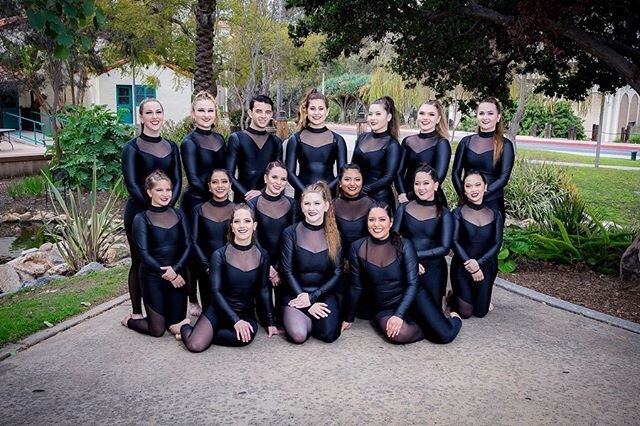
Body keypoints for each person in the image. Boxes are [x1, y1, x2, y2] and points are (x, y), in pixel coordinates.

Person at [343, 202, 461, 344]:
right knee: (398, 335)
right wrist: (348, 318)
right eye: (371, 220)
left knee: (445, 336)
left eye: (382, 219)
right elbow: (356, 286)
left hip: (413, 298)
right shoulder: (357, 248)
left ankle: (455, 318)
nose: (376, 224)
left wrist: (399, 315)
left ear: (391, 222)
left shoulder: (404, 245)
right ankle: (427, 327)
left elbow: (413, 283)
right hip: (384, 305)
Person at [176, 204, 280, 352]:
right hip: (218, 308)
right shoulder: (219, 255)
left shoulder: (263, 255)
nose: (242, 226)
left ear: (254, 225)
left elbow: (263, 289)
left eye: (247, 221)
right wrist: (235, 321)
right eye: (237, 221)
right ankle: (185, 328)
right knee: (195, 345)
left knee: (244, 337)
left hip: (244, 311)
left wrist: (270, 322)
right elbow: (216, 291)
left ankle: (205, 332)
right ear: (231, 226)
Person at [121, 98, 182, 319]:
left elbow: (177, 179)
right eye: (149, 113)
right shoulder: (131, 147)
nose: (154, 116)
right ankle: (137, 311)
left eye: (158, 112)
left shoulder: (172, 146)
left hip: (167, 214)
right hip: (139, 212)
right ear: (141, 117)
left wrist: (167, 206)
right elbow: (132, 183)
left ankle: (163, 305)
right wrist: (152, 210)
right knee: (139, 261)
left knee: (167, 257)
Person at [121, 170, 190, 337]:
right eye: (159, 190)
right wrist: (169, 274)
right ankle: (129, 321)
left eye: (168, 190)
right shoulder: (141, 219)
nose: (165, 194)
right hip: (153, 277)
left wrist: (177, 270)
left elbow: (188, 245)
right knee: (158, 330)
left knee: (176, 324)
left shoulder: (179, 214)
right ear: (149, 192)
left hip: (178, 275)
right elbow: (143, 254)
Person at [180, 91, 226, 317]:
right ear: (193, 113)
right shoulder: (188, 142)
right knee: (194, 249)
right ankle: (192, 298)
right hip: (196, 202)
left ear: (215, 113)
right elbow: (194, 177)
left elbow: (224, 172)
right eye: (201, 110)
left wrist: (222, 198)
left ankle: (216, 292)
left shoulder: (219, 139)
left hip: (217, 200)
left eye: (210, 110)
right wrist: (215, 197)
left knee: (216, 247)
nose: (206, 115)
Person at [281, 181, 342, 344]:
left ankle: (310, 319)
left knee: (330, 335)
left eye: (316, 203)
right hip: (296, 292)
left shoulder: (335, 234)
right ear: (301, 206)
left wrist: (314, 297)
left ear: (326, 206)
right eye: (307, 203)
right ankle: (301, 316)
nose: (311, 208)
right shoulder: (290, 233)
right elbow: (287, 271)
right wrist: (306, 302)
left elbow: (337, 273)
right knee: (299, 336)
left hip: (322, 292)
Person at [247, 161, 298, 326]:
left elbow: (291, 238)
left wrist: (279, 268)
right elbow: (252, 238)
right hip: (260, 261)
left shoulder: (292, 204)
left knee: (284, 320)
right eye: (274, 177)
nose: (278, 182)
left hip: (284, 263)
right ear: (265, 178)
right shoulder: (252, 204)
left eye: (283, 179)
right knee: (266, 319)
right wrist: (268, 266)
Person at [393, 164, 452, 306]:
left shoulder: (444, 213)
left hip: (433, 266)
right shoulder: (403, 208)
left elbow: (445, 248)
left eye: (426, 183)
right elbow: (393, 238)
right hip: (406, 263)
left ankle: (451, 308)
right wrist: (409, 260)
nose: (421, 188)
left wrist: (414, 256)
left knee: (431, 318)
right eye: (417, 183)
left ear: (436, 185)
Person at [450, 170, 503, 318]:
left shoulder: (495, 214)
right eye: (468, 186)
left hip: (486, 266)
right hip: (462, 265)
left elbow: (497, 243)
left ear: (485, 187)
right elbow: (454, 242)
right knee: (465, 313)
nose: (474, 190)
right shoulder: (457, 213)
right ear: (464, 190)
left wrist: (479, 264)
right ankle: (453, 297)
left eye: (477, 185)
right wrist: (470, 264)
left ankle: (476, 297)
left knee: (480, 313)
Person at [452, 97, 515, 217]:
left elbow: (504, 178)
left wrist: (480, 196)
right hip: (467, 202)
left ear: (498, 117)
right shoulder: (466, 142)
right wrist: (466, 195)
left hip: (493, 203)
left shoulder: (505, 145)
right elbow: (455, 173)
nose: (485, 117)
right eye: (481, 113)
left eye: (490, 113)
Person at [189, 169, 236, 315]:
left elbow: (241, 240)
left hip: (232, 267)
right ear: (209, 186)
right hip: (206, 269)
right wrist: (208, 266)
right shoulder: (199, 209)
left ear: (230, 185)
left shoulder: (238, 209)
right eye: (215, 182)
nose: (220, 185)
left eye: (224, 181)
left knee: (231, 313)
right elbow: (194, 241)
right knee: (211, 313)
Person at [286, 88, 347, 199]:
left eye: (321, 109)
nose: (317, 113)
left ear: (327, 111)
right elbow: (290, 173)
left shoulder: (337, 140)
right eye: (312, 108)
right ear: (306, 111)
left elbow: (342, 174)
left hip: (329, 196)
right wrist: (306, 193)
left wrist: (324, 193)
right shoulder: (295, 139)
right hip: (303, 195)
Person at [332, 164, 374, 317]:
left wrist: (356, 260)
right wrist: (341, 260)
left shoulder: (371, 204)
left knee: (364, 313)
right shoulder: (332, 205)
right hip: (338, 264)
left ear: (363, 181)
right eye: (347, 179)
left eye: (357, 179)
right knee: (339, 311)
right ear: (340, 182)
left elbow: (374, 238)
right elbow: (330, 237)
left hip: (363, 263)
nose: (352, 184)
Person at [226, 95, 283, 202]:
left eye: (267, 112)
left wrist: (262, 193)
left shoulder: (276, 142)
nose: (263, 115)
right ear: (250, 113)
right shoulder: (237, 138)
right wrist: (248, 196)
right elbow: (229, 175)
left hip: (268, 200)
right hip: (243, 200)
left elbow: (279, 175)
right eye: (258, 111)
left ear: (271, 114)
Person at [396, 100, 451, 204]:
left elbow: (438, 177)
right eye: (422, 113)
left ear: (438, 119)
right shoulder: (407, 141)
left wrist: (409, 196)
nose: (425, 117)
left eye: (431, 114)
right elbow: (398, 173)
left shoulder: (441, 143)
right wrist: (403, 195)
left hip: (431, 200)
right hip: (406, 201)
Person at [351, 96, 401, 209]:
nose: (373, 118)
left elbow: (388, 177)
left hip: (381, 199)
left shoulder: (392, 145)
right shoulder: (362, 138)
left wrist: (364, 190)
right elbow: (353, 167)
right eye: (370, 114)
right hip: (357, 197)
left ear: (388, 117)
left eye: (378, 114)